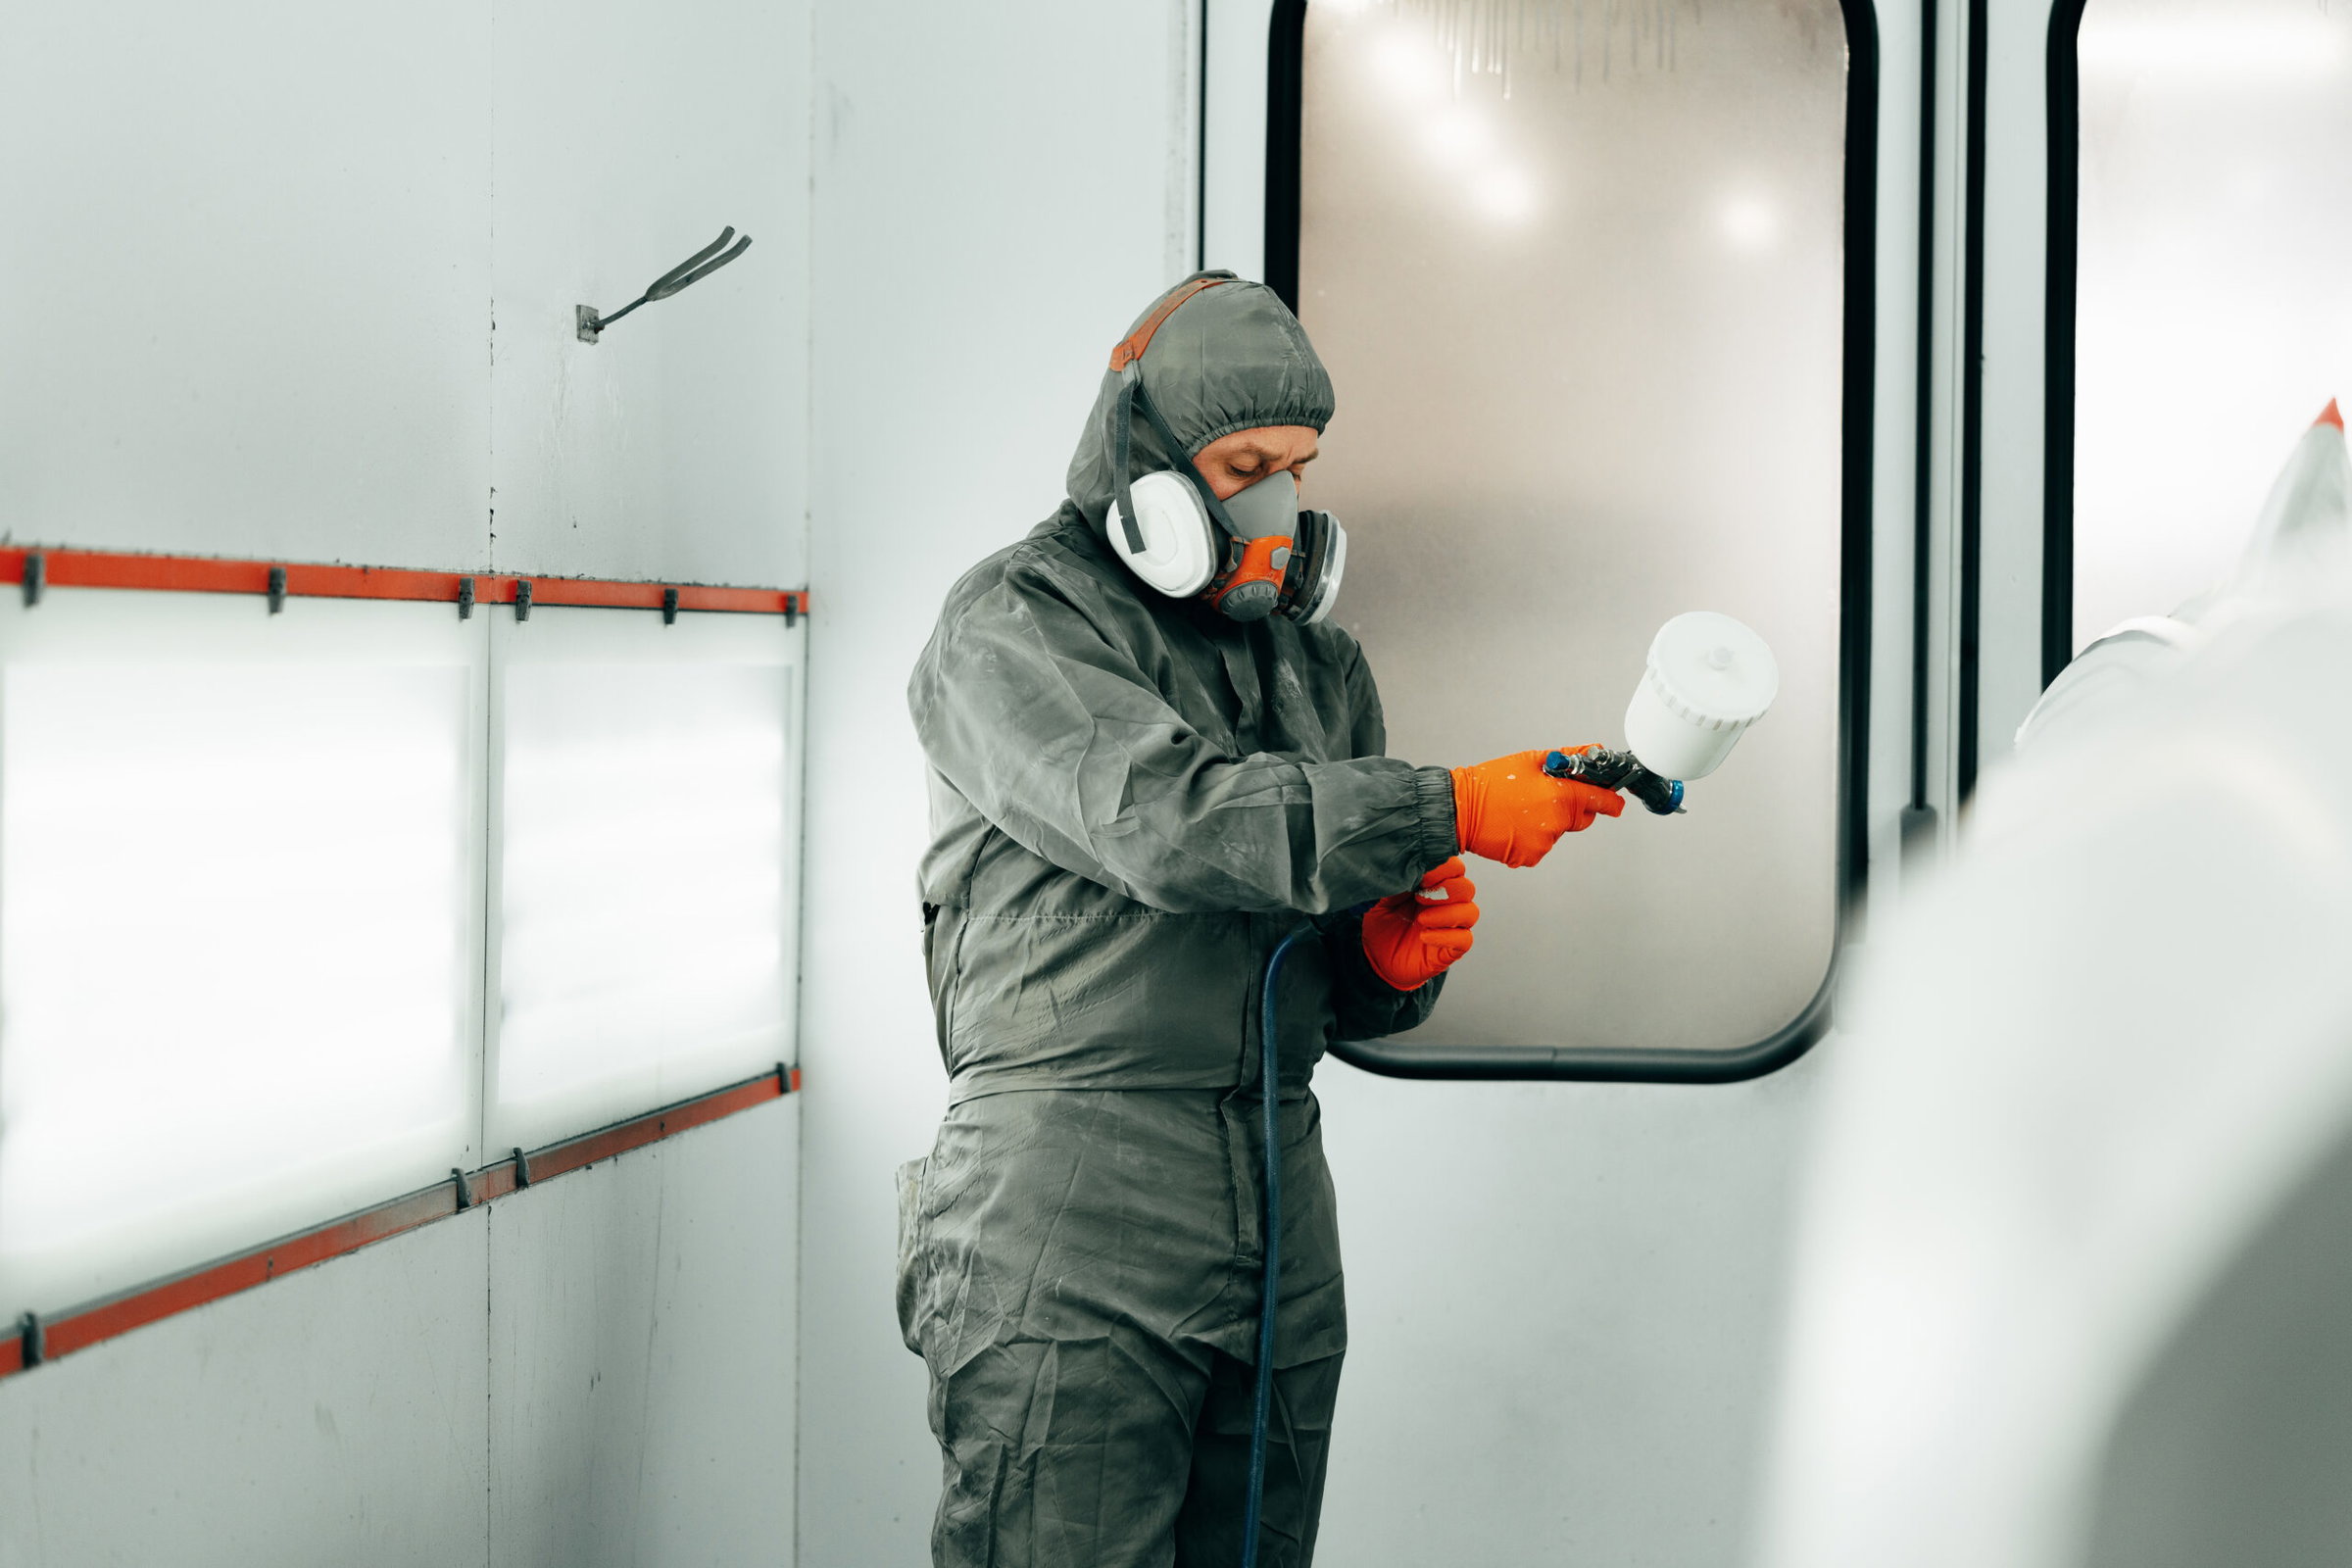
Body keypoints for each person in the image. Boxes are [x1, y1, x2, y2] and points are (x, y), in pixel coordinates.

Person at [901, 271, 1622, 1568]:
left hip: (1280, 1215)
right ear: (1147, 473)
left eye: (1300, 467)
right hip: (1068, 1216)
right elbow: (1168, 825)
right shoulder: (1011, 627)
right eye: (1244, 464)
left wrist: (1385, 968)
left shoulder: (1318, 666)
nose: (1280, 504)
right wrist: (1448, 805)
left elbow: (1320, 932)